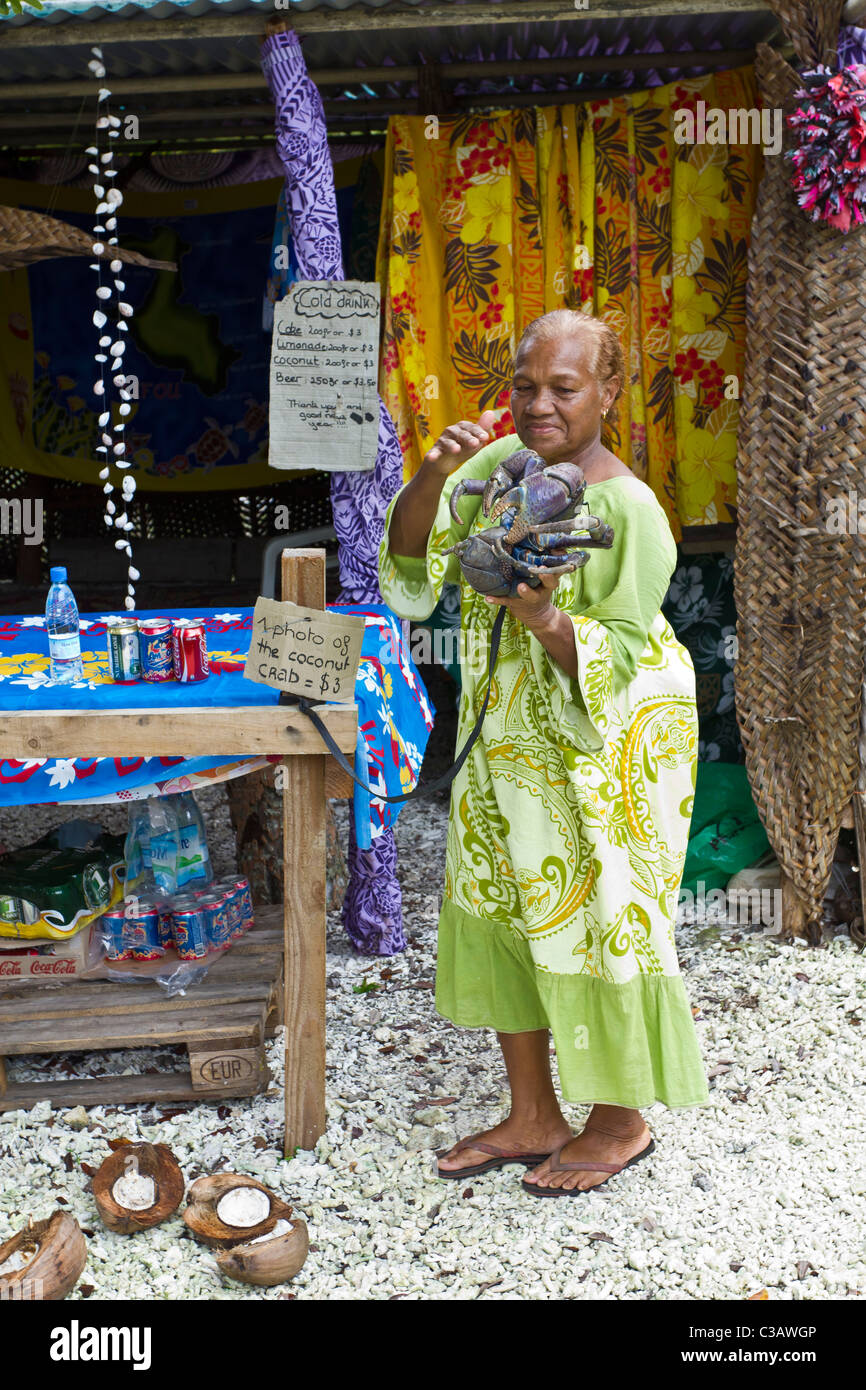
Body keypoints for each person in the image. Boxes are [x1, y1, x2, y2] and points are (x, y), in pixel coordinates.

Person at [379, 310, 709, 1197]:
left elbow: (627, 651)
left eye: (565, 388)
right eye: (525, 385)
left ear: (609, 392)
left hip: (609, 746)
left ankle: (621, 1121)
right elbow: (410, 562)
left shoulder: (629, 506)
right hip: (505, 737)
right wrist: (437, 470)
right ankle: (534, 1114)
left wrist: (544, 619)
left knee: (602, 918)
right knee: (504, 906)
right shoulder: (493, 470)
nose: (539, 404)